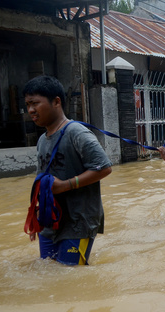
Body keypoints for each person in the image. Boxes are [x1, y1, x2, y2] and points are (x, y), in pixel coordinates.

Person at [23, 75, 112, 265]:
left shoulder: (76, 132)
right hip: (50, 221)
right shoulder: (42, 140)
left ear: (56, 102)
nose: (31, 110)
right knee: (49, 272)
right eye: (28, 104)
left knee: (71, 274)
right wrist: (36, 216)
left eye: (35, 103)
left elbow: (104, 167)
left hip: (79, 222)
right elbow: (42, 181)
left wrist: (65, 185)